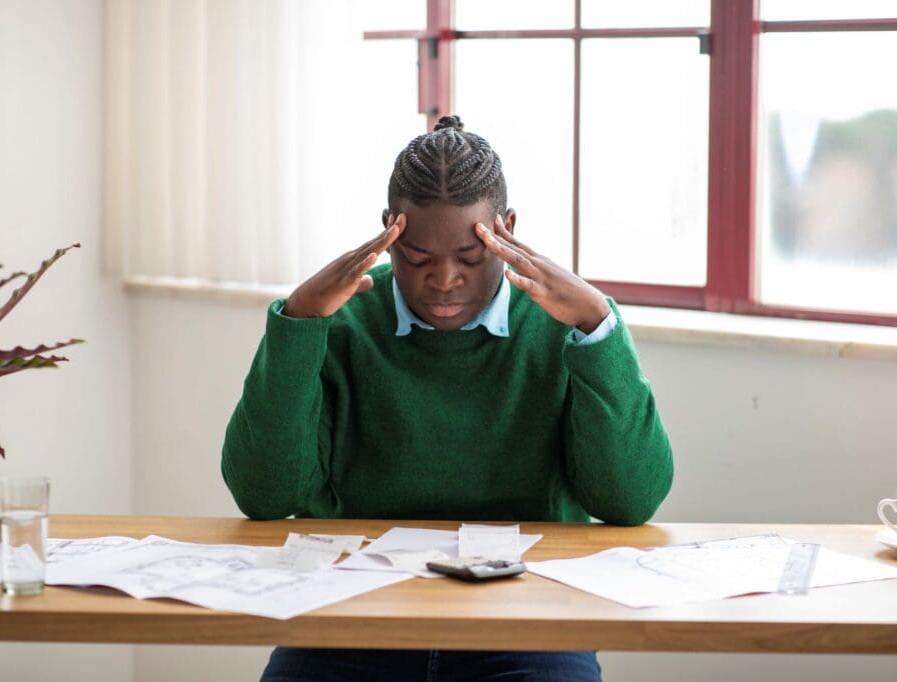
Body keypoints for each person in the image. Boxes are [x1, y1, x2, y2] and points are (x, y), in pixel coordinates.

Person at [222, 115, 673, 682]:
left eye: (469, 256)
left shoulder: (563, 327)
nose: (443, 279)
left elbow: (631, 500)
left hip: (527, 621)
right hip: (352, 615)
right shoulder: (339, 323)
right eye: (414, 257)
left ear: (506, 230)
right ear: (388, 228)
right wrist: (299, 324)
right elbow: (264, 495)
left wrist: (597, 326)